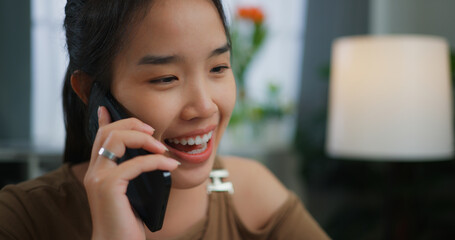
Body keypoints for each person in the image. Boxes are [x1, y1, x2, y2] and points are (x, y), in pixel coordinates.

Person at [0, 0, 330, 239]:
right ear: (91, 91)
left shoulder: (253, 195)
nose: (204, 107)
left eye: (218, 68)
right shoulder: (20, 219)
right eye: (165, 78)